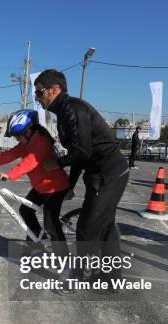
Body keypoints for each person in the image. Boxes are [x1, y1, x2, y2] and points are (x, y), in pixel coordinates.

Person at [34, 69, 129, 288]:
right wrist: (71, 184)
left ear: (55, 89)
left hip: (108, 172)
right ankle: (112, 281)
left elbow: (82, 153)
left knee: (87, 228)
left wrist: (56, 164)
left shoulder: (73, 110)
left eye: (39, 93)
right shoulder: (63, 113)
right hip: (99, 173)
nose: (37, 99)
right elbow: (79, 155)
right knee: (105, 226)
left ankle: (80, 278)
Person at [0, 109, 70, 259]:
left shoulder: (40, 142)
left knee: (51, 224)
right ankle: (37, 243)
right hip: (41, 186)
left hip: (54, 187)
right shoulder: (26, 142)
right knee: (25, 210)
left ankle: (65, 263)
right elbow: (10, 154)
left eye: (19, 136)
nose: (18, 140)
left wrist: (9, 175)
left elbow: (29, 162)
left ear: (28, 130)